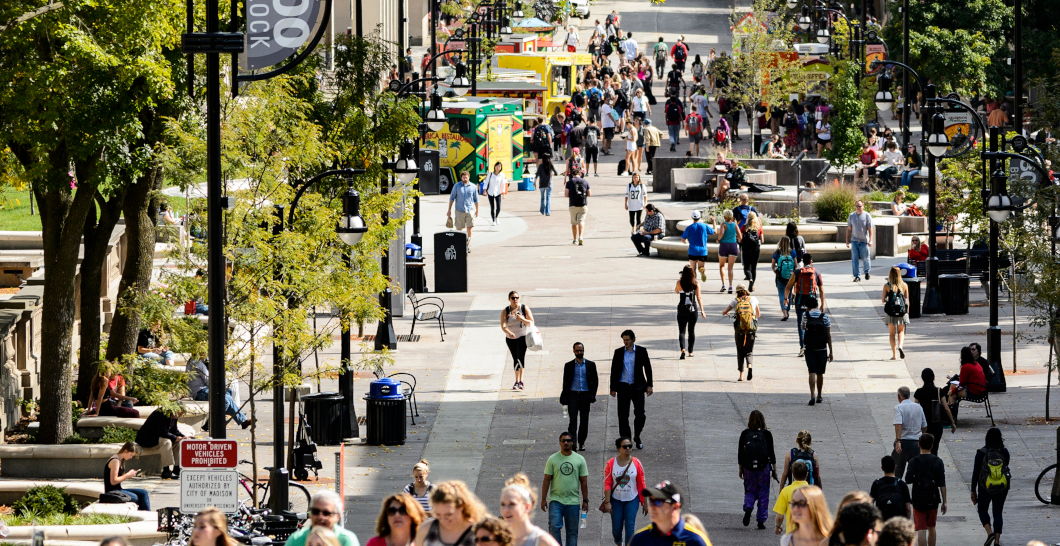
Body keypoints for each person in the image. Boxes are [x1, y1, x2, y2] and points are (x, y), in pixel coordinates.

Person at [540, 432, 589, 546]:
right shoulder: (552, 459)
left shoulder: (580, 459)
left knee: (572, 532)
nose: (566, 443)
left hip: (573, 501)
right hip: (555, 500)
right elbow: (547, 480)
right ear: (559, 443)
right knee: (553, 527)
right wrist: (543, 499)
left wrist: (585, 500)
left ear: (572, 442)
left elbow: (584, 482)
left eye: (568, 440)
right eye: (563, 441)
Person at [609, 329, 653, 449]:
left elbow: (648, 368)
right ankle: (626, 440)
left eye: (627, 340)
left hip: (637, 387)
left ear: (633, 339)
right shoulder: (618, 352)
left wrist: (649, 385)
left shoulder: (641, 351)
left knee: (640, 414)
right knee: (622, 415)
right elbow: (614, 370)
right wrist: (613, 388)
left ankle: (637, 435)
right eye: (624, 340)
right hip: (623, 387)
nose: (625, 342)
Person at [629, 482, 710, 546]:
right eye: (651, 501)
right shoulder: (639, 539)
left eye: (658, 502)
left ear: (675, 507)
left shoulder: (695, 540)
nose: (652, 507)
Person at [602, 438, 647, 546]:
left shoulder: (636, 462)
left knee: (630, 526)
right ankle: (618, 542)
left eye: (630, 446)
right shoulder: (611, 463)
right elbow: (608, 483)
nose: (628, 448)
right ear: (618, 448)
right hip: (616, 500)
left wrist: (645, 502)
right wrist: (607, 502)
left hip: (632, 499)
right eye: (625, 446)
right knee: (616, 528)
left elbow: (641, 483)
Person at [904, 434, 946, 546]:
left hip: (918, 498)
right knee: (932, 527)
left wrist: (917, 478)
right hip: (933, 498)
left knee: (921, 529)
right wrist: (944, 501)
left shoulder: (913, 461)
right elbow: (942, 482)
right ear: (932, 445)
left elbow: (907, 479)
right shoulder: (938, 461)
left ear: (919, 445)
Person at [187, 358, 252, 430]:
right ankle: (211, 423)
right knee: (225, 399)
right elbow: (208, 380)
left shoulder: (200, 361)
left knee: (228, 393)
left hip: (205, 390)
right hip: (200, 392)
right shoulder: (196, 362)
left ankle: (242, 421)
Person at [738, 410, 777, 530]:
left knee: (750, 490)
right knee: (763, 492)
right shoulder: (766, 434)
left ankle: (748, 507)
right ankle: (761, 520)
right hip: (763, 467)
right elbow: (771, 453)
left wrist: (741, 469)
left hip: (748, 467)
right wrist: (774, 470)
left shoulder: (745, 434)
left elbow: (740, 453)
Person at [415, 481, 486, 546]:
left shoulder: (478, 532)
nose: (443, 519)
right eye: (438, 514)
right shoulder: (425, 530)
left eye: (448, 514)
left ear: (462, 506)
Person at [972, 428, 1010, 546]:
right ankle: (997, 541)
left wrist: (973, 490)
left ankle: (989, 533)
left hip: (985, 486)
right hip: (1002, 486)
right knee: (997, 512)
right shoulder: (1004, 452)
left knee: (982, 509)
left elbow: (976, 472)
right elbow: (1006, 465)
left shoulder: (981, 453)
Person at [785, 253, 827, 357]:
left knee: (801, 324)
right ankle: (813, 345)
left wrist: (786, 299)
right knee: (813, 322)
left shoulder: (798, 272)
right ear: (811, 261)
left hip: (800, 301)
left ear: (803, 262)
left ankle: (802, 347)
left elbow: (788, 286)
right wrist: (822, 304)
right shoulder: (816, 272)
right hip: (812, 302)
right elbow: (821, 290)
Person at [500, 474, 560, 546]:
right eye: (503, 504)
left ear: (527, 506)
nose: (506, 510)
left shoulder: (542, 541)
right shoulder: (497, 541)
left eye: (512, 504)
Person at [561, 342, 598, 451]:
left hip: (585, 395)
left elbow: (595, 380)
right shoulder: (568, 365)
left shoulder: (590, 365)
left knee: (584, 420)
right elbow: (565, 382)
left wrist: (592, 394)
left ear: (583, 350)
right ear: (573, 351)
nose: (579, 352)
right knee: (573, 420)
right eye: (577, 350)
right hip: (573, 395)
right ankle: (573, 443)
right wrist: (564, 396)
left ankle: (582, 442)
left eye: (581, 350)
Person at [914, 368, 957, 456]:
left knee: (923, 448)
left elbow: (915, 408)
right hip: (936, 424)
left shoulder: (919, 392)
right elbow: (946, 408)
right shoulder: (939, 391)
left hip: (923, 424)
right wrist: (952, 422)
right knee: (934, 447)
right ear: (933, 378)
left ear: (922, 378)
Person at [722, 285, 760, 381]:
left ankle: (741, 375)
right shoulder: (754, 299)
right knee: (749, 350)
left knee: (740, 351)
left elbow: (724, 311)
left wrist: (726, 312)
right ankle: (750, 366)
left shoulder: (736, 301)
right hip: (751, 329)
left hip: (739, 330)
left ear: (737, 292)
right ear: (746, 291)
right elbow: (758, 314)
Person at [135, 407, 185, 480]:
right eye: (180, 413)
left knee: (178, 443)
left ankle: (176, 469)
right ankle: (166, 470)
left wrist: (184, 437)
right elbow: (162, 432)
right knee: (166, 442)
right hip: (148, 439)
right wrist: (175, 438)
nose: (180, 416)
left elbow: (174, 430)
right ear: (175, 409)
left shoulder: (173, 415)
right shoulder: (161, 413)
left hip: (159, 438)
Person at [801, 297, 832, 405]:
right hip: (822, 348)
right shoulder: (825, 316)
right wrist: (831, 351)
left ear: (808, 307)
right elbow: (828, 335)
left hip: (809, 348)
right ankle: (819, 395)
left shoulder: (805, 315)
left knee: (811, 371)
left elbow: (803, 327)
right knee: (820, 373)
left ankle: (812, 395)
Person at [892, 386, 928, 479]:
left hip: (904, 442)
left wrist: (898, 441)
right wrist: (922, 438)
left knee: (898, 470)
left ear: (899, 396)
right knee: (918, 472)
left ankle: (898, 488)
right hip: (917, 443)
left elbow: (898, 425)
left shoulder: (898, 407)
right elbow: (924, 426)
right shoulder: (918, 407)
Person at [501, 291, 534, 391]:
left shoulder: (524, 308)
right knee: (515, 358)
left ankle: (521, 381)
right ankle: (516, 381)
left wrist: (522, 319)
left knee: (521, 357)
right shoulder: (506, 311)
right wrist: (508, 332)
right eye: (512, 298)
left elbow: (531, 322)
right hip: (510, 339)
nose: (515, 299)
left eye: (516, 297)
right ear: (509, 299)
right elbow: (503, 325)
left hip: (522, 337)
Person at [103, 442, 150, 511]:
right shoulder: (115, 461)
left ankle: (147, 515)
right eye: (131, 455)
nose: (130, 458)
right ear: (125, 451)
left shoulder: (120, 460)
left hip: (118, 490)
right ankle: (148, 515)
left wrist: (128, 475)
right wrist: (127, 475)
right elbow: (113, 481)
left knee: (144, 493)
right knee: (137, 498)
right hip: (112, 492)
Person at [674, 265, 706, 360]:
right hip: (693, 310)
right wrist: (702, 311)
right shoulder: (696, 284)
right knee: (691, 331)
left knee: (682, 331)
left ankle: (682, 349)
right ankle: (690, 351)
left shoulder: (679, 282)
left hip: (682, 309)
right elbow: (699, 297)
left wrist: (680, 280)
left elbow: (676, 292)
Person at [870, 456, 912, 521]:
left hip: (882, 519)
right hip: (898, 520)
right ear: (895, 467)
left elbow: (870, 503)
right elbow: (908, 508)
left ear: (882, 468)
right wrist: (907, 522)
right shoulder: (901, 484)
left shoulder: (877, 483)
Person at [773, 461, 810, 535]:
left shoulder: (785, 491)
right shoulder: (814, 492)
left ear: (792, 474)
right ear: (807, 474)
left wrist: (778, 526)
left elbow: (780, 516)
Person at [447, 171, 479, 252]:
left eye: (466, 177)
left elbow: (476, 200)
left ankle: (467, 246)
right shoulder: (457, 186)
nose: (465, 179)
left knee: (469, 228)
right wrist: (449, 210)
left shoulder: (473, 187)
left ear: (469, 177)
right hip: (459, 210)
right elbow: (451, 198)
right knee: (459, 229)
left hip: (469, 210)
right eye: (463, 177)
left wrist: (477, 210)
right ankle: (460, 245)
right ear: (461, 178)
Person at [881, 267, 909, 360]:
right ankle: (900, 346)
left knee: (892, 333)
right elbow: (906, 300)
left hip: (891, 313)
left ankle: (894, 355)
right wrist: (907, 312)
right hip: (901, 313)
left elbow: (882, 300)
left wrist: (888, 299)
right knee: (901, 331)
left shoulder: (887, 286)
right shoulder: (904, 285)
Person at [681, 211, 715, 281]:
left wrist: (686, 241)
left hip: (692, 251)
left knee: (693, 270)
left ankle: (694, 284)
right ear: (700, 217)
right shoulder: (704, 226)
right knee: (700, 267)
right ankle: (701, 270)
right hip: (703, 251)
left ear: (692, 217)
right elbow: (714, 232)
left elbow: (683, 239)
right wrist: (714, 222)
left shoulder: (689, 227)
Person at [771, 236, 798, 320]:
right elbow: (796, 265)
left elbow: (772, 266)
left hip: (780, 277)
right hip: (790, 276)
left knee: (782, 294)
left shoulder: (776, 253)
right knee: (788, 293)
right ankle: (787, 309)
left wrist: (777, 272)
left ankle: (784, 311)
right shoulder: (792, 252)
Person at [846, 200, 872, 281]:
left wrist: (870, 240)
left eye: (859, 206)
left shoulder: (867, 215)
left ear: (863, 206)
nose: (858, 208)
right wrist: (847, 241)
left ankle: (867, 272)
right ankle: (857, 276)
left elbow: (870, 229)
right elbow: (849, 229)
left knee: (865, 258)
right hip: (854, 241)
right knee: (854, 259)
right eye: (856, 206)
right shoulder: (851, 216)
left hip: (864, 241)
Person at [716, 210, 741, 294]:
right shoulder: (735, 224)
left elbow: (721, 233)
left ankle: (723, 284)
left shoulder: (723, 224)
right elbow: (740, 236)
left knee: (722, 266)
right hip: (733, 245)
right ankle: (730, 286)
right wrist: (733, 237)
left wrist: (718, 239)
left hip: (724, 245)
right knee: (730, 267)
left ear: (724, 217)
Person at [565, 168, 591, 246]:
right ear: (580, 174)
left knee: (574, 223)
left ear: (572, 175)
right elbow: (589, 194)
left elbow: (566, 195)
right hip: (583, 204)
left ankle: (575, 239)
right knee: (581, 221)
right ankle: (581, 237)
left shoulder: (569, 182)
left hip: (572, 205)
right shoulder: (585, 182)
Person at [740, 212, 762, 291]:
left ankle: (750, 279)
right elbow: (762, 240)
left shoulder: (744, 227)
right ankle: (752, 285)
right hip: (756, 249)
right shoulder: (759, 228)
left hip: (746, 249)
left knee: (747, 268)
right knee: (754, 268)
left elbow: (741, 239)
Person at [483, 162, 507, 226]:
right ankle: (493, 220)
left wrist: (503, 193)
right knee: (492, 207)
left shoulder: (502, 175)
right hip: (490, 192)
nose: (498, 168)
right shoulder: (490, 174)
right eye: (497, 166)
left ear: (501, 167)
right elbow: (486, 182)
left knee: (498, 207)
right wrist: (485, 190)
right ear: (494, 167)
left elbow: (503, 184)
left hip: (498, 192)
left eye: (499, 166)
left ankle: (496, 217)